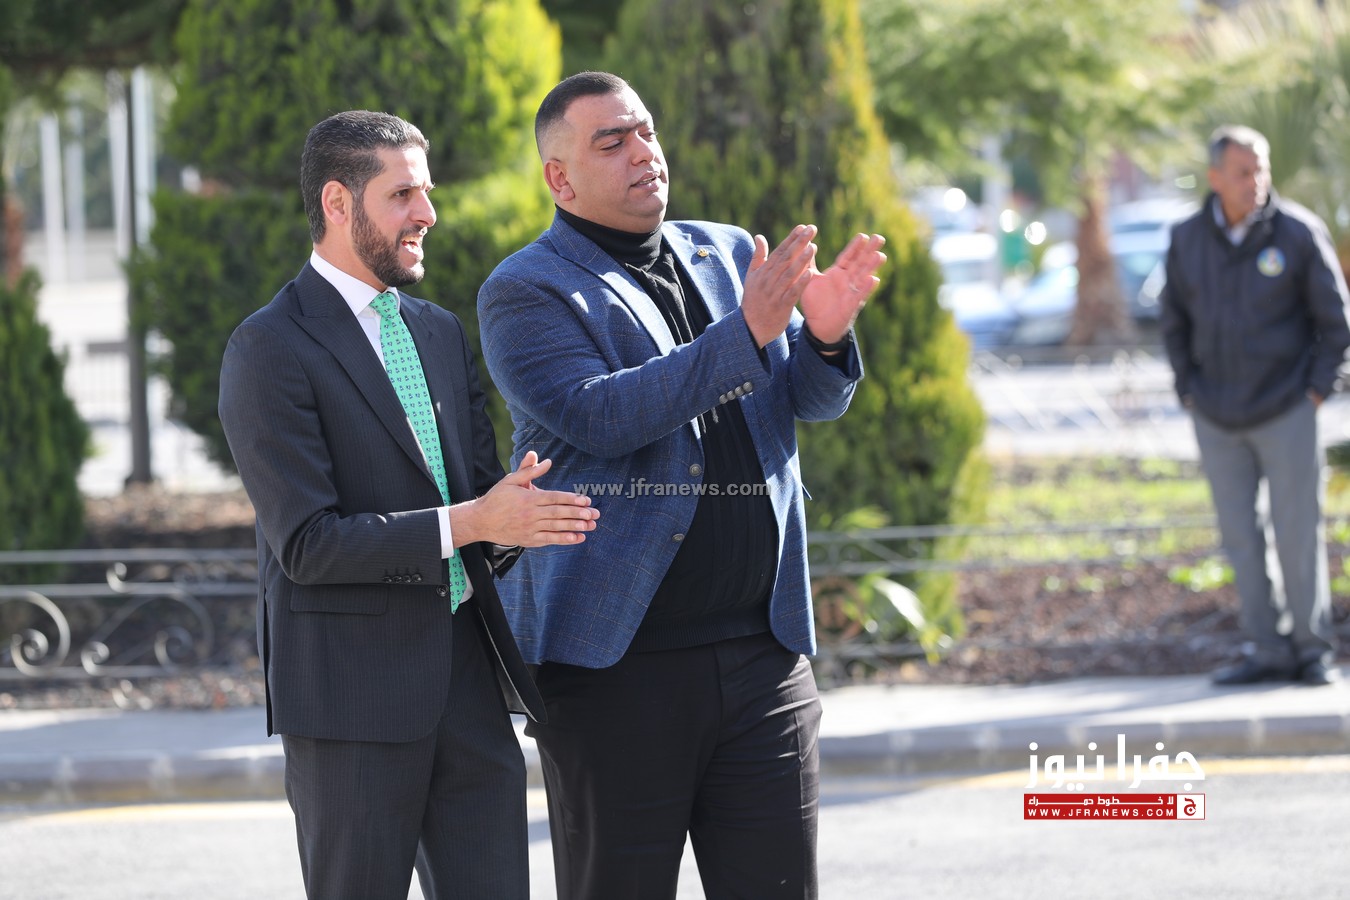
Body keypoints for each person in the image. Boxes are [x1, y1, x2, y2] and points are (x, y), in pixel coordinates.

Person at [477, 71, 886, 899]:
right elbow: (601, 416)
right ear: (560, 177)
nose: (644, 153)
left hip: (764, 657)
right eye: (612, 142)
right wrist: (749, 331)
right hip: (615, 674)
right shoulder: (525, 289)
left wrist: (825, 340)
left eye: (646, 132)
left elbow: (803, 400)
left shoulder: (728, 252)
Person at [217, 110, 599, 900]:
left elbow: (480, 504)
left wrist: (519, 517)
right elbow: (309, 544)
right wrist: (475, 520)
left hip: (468, 687)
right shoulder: (268, 347)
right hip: (350, 702)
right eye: (402, 195)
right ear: (337, 202)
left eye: (426, 192)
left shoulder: (439, 332)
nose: (427, 213)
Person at [1161, 124, 1350, 687]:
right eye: (1243, 172)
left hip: (1287, 409)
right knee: (1240, 539)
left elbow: (1336, 323)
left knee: (1297, 533)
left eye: (1261, 169)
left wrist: (1315, 391)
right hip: (1216, 416)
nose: (1256, 181)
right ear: (1215, 177)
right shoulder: (1187, 239)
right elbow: (1173, 322)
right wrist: (1188, 390)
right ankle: (1267, 650)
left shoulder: (1297, 232)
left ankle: (1311, 651)